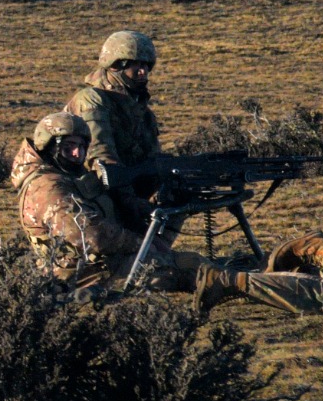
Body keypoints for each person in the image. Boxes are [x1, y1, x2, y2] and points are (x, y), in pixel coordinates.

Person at [12, 111, 206, 292]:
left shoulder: (72, 176)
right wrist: (142, 244)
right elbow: (89, 235)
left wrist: (161, 207)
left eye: (81, 147)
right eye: (68, 147)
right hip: (81, 276)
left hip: (99, 265)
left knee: (190, 263)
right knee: (187, 269)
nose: (76, 154)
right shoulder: (47, 187)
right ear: (49, 147)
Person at [63, 30, 177, 244]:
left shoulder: (141, 111)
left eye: (146, 66)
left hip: (119, 193)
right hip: (89, 197)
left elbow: (152, 160)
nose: (143, 72)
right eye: (136, 66)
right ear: (116, 65)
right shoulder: (92, 101)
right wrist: (131, 202)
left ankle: (156, 251)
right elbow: (101, 160)